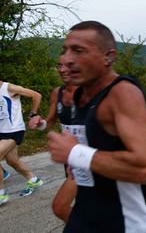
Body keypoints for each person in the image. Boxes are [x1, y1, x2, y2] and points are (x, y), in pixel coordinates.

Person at [47, 21, 146, 232]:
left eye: (78, 51)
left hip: (125, 222)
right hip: (86, 212)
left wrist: (74, 153)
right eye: (65, 50)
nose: (66, 59)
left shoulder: (122, 93)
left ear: (108, 57)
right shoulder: (80, 95)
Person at [29, 57, 78, 222]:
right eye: (59, 65)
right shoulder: (58, 92)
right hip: (70, 157)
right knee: (80, 202)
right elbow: (49, 121)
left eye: (68, 65)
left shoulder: (91, 91)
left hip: (91, 156)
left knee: (61, 207)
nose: (62, 69)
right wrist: (39, 123)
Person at [0, 80, 43, 205]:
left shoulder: (9, 88)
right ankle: (33, 179)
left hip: (14, 130)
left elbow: (36, 95)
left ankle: (1, 195)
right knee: (12, 160)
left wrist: (33, 114)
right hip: (2, 132)